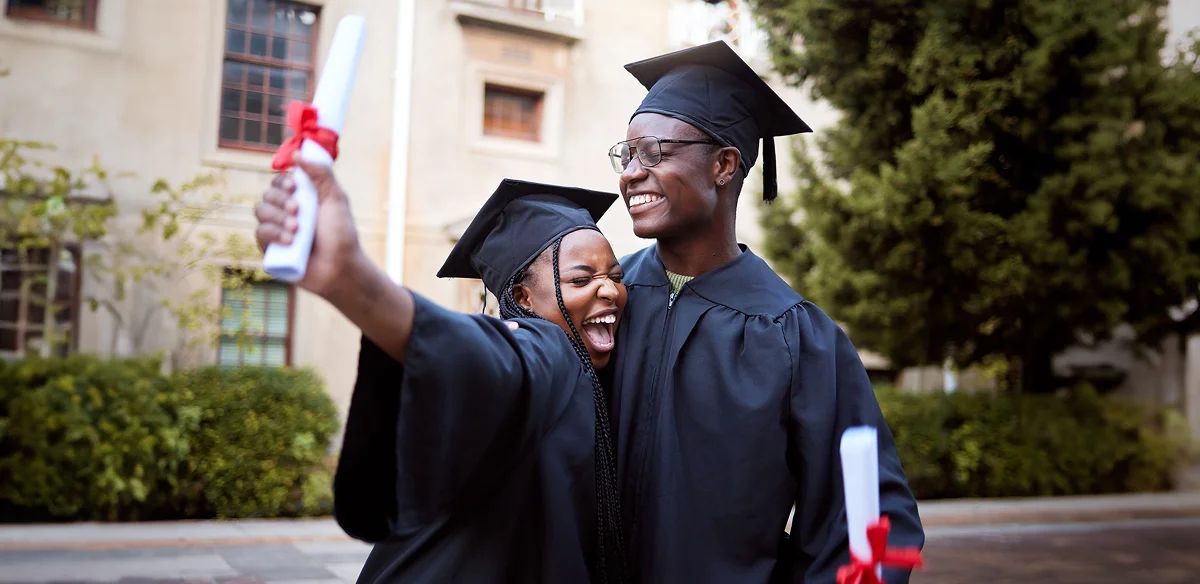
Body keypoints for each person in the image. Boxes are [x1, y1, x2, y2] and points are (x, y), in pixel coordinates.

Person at [603, 40, 925, 583]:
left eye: (654, 152)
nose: (632, 172)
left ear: (724, 164)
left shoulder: (796, 335)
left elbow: (870, 518)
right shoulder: (604, 301)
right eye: (627, 154)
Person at [253, 165, 630, 583]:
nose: (609, 290)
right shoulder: (546, 349)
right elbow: (484, 354)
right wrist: (350, 279)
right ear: (522, 297)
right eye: (581, 279)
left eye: (616, 276)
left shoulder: (584, 370)